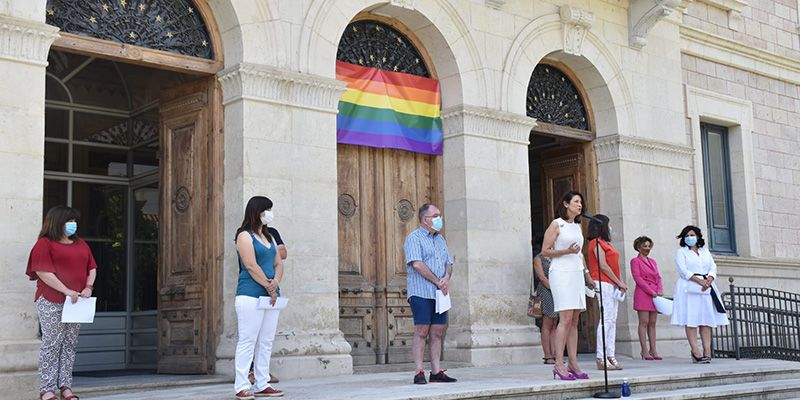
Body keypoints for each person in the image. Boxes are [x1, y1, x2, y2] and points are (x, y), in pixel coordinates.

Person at [26, 206, 97, 400]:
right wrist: (66, 291)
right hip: (51, 300)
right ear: (57, 222)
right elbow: (42, 271)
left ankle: (66, 387)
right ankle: (47, 390)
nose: (73, 224)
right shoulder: (44, 244)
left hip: (76, 303)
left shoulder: (81, 244)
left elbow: (92, 268)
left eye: (75, 220)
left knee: (69, 345)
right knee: (52, 344)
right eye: (69, 220)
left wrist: (88, 287)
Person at [233, 196, 285, 399]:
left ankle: (262, 383)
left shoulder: (269, 236)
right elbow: (251, 265)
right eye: (267, 210)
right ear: (257, 211)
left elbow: (279, 263)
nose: (269, 214)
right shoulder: (244, 236)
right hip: (250, 294)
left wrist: (275, 284)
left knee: (266, 341)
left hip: (271, 295)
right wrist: (267, 285)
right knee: (248, 340)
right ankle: (241, 385)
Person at [542, 191, 594, 381]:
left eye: (581, 202)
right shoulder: (557, 224)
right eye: (576, 201)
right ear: (566, 204)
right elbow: (545, 251)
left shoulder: (578, 226)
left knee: (574, 319)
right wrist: (565, 251)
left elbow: (579, 254)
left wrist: (587, 275)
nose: (580, 205)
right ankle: (558, 363)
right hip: (561, 272)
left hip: (576, 273)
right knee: (564, 318)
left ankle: (573, 362)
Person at [403, 203, 457, 385]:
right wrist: (437, 281)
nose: (439, 219)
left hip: (439, 294)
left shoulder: (440, 240)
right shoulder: (414, 238)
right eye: (436, 216)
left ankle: (436, 371)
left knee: (438, 332)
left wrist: (446, 278)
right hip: (421, 292)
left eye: (439, 215)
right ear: (425, 219)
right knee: (422, 330)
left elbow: (449, 263)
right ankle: (419, 371)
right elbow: (417, 264)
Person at [670, 225, 728, 364]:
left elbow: (712, 267)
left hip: (707, 287)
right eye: (687, 235)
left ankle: (707, 351)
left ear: (697, 236)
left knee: (705, 319)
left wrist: (709, 279)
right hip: (690, 287)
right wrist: (699, 281)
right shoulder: (681, 252)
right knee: (692, 319)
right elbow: (683, 270)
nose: (690, 238)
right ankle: (695, 351)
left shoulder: (705, 251)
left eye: (692, 235)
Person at [587, 214, 628, 371]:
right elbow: (603, 266)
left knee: (612, 319)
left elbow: (614, 265)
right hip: (602, 282)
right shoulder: (596, 243)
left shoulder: (606, 243)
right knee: (606, 318)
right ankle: (600, 356)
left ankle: (610, 354)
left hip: (612, 283)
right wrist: (619, 282)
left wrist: (620, 282)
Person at [630, 236, 664, 360]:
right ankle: (644, 351)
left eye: (649, 246)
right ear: (638, 247)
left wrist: (659, 290)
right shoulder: (635, 261)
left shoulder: (653, 261)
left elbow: (658, 277)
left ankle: (653, 350)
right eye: (645, 246)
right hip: (643, 294)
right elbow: (637, 278)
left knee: (653, 323)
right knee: (644, 322)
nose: (647, 248)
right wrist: (651, 291)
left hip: (655, 295)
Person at [532, 237, 558, 365]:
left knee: (555, 323)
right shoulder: (538, 258)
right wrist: (554, 289)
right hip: (546, 291)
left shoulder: (556, 257)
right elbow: (542, 277)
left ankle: (554, 353)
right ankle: (547, 355)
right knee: (547, 323)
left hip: (557, 292)